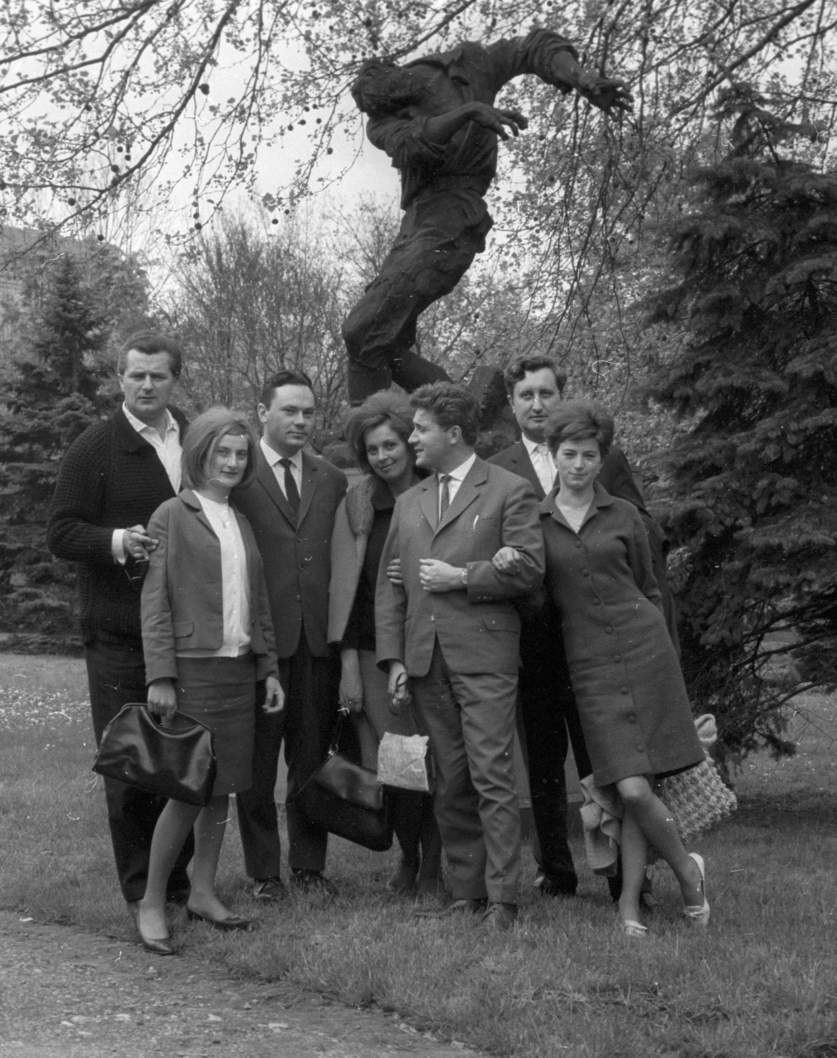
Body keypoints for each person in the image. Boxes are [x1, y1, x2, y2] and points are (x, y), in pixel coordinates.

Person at [342, 29, 631, 403]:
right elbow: (414, 142)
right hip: (416, 222)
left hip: (455, 215)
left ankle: (367, 432)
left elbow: (533, 47)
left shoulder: (470, 64)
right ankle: (469, 414)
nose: (382, 111)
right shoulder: (382, 123)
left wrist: (582, 77)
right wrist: (469, 113)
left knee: (362, 329)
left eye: (384, 99)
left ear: (396, 77)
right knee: (383, 341)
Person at [520, 400, 709, 936]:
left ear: (602, 459)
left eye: (589, 455)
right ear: (554, 456)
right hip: (590, 669)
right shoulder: (536, 522)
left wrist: (669, 653)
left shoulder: (624, 516)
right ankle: (688, 872)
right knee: (627, 789)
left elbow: (650, 590)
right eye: (569, 454)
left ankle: (628, 905)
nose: (578, 464)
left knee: (639, 788)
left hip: (646, 655)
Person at [486, 355, 671, 901]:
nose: (537, 405)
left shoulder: (600, 458)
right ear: (512, 403)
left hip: (600, 638)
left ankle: (619, 870)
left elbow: (641, 530)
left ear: (560, 397)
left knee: (604, 755)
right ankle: (556, 871)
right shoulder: (497, 467)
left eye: (546, 393)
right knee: (541, 759)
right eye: (526, 396)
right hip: (534, 639)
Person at [375, 382, 544, 930]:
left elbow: (527, 566)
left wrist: (463, 577)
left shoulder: (509, 490)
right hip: (425, 662)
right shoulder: (409, 503)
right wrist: (395, 660)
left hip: (485, 656)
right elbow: (391, 590)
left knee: (492, 776)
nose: (411, 438)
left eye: (420, 429)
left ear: (453, 433)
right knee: (449, 779)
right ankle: (466, 893)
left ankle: (503, 901)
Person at [47, 332, 193, 915]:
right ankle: (142, 893)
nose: (147, 386)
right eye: (137, 376)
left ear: (173, 379)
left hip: (185, 632)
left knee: (181, 760)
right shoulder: (94, 448)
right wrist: (115, 541)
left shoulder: (192, 437)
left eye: (158, 376)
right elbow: (59, 532)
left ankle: (178, 884)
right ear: (120, 379)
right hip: (118, 632)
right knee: (132, 765)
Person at [134, 407, 287, 955]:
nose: (232, 462)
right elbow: (154, 605)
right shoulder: (170, 515)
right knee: (187, 791)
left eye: (241, 454)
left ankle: (202, 892)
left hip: (237, 672)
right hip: (192, 673)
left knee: (222, 790)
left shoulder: (240, 520)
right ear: (200, 452)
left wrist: (266, 667)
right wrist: (162, 676)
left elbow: (259, 604)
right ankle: (153, 900)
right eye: (222, 451)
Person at [231, 369, 349, 900]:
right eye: (289, 411)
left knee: (310, 758)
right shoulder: (235, 472)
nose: (301, 421)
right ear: (263, 412)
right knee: (257, 765)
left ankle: (308, 865)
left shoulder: (331, 478)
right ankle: (264, 874)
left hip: (317, 643)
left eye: (308, 412)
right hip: (260, 643)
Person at [327, 391, 442, 898]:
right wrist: (349, 665)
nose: (383, 456)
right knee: (395, 765)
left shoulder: (437, 493)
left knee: (436, 762)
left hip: (431, 648)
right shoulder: (357, 502)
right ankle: (409, 857)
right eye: (372, 449)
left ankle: (438, 862)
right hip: (375, 653)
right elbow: (345, 589)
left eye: (391, 444)